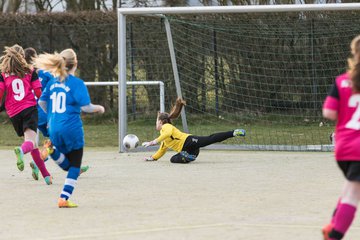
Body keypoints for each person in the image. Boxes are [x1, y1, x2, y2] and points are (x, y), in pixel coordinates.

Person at [34, 49, 105, 208]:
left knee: (68, 166)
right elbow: (86, 107)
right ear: (75, 64)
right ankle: (63, 198)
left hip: (53, 127)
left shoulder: (52, 83)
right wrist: (99, 108)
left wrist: (52, 115)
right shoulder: (76, 83)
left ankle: (52, 152)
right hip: (71, 128)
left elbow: (41, 103)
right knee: (75, 166)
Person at [24, 47, 90, 180]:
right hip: (45, 115)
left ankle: (44, 163)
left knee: (48, 143)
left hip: (32, 113)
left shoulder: (25, 75)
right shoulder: (45, 74)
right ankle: (44, 164)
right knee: (57, 143)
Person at [322, 35, 360, 240]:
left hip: (343, 147)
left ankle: (332, 226)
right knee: (353, 195)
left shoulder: (341, 81)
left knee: (349, 189)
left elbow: (329, 113)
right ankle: (334, 236)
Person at [0, 44, 52, 184]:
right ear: (22, 56)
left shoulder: (3, 73)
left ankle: (46, 176)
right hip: (28, 109)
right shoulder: (30, 71)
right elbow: (38, 92)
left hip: (13, 113)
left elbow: (0, 92)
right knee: (30, 142)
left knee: (34, 145)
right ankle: (21, 151)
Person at [142, 97, 246, 163]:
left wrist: (153, 142)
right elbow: (161, 150)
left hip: (189, 141)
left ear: (161, 122)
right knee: (173, 159)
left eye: (156, 121)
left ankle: (234, 132)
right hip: (191, 152)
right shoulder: (163, 138)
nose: (156, 124)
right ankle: (188, 157)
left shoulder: (166, 127)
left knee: (210, 139)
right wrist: (152, 158)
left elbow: (168, 133)